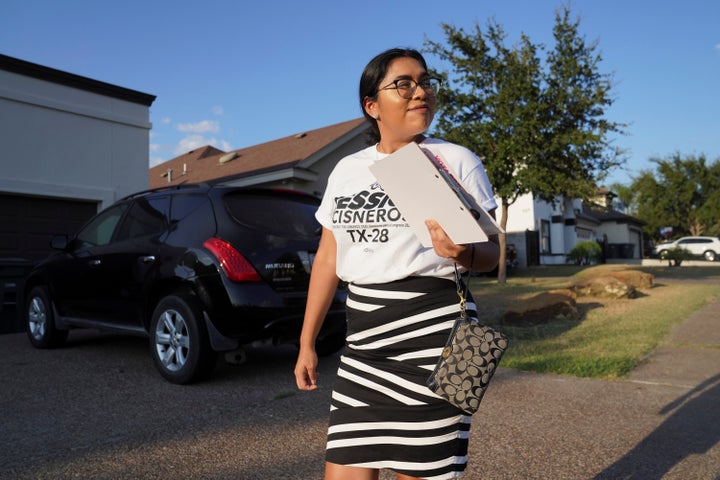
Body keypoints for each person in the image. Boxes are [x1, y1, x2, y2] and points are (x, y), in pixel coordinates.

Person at [294, 47, 500, 480]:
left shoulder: (455, 160)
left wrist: (463, 252)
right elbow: (329, 257)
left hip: (435, 343)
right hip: (363, 347)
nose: (419, 91)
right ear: (372, 106)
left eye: (425, 81)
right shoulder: (347, 170)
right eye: (402, 84)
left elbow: (492, 253)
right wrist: (307, 341)